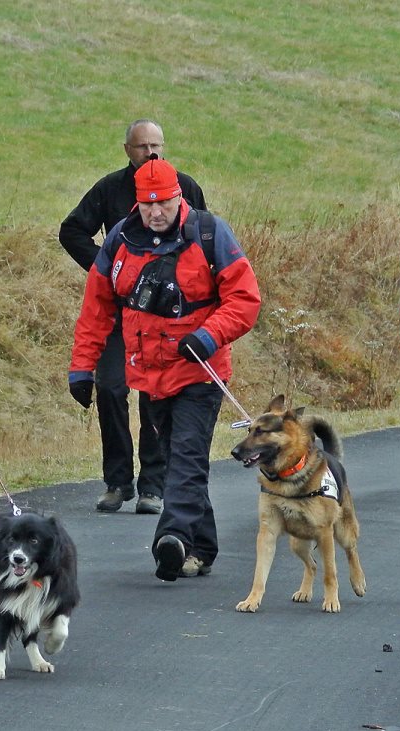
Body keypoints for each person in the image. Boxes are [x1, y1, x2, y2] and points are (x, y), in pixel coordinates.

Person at [68, 156, 260, 581]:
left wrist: (207, 337)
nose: (157, 213)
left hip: (200, 374)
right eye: (148, 204)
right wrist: (82, 367)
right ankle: (203, 548)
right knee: (177, 461)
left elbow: (245, 300)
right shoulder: (119, 240)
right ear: (137, 203)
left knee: (187, 457)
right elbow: (96, 308)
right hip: (149, 377)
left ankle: (170, 539)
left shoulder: (210, 234)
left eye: (165, 204)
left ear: (179, 198)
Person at [59, 119, 208, 515]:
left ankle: (153, 486)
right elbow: (71, 230)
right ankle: (117, 481)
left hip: (166, 318)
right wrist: (106, 270)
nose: (151, 152)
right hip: (122, 314)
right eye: (142, 146)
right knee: (110, 389)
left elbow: (203, 243)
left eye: (156, 145)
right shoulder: (110, 189)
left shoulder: (186, 188)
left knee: (154, 396)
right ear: (127, 150)